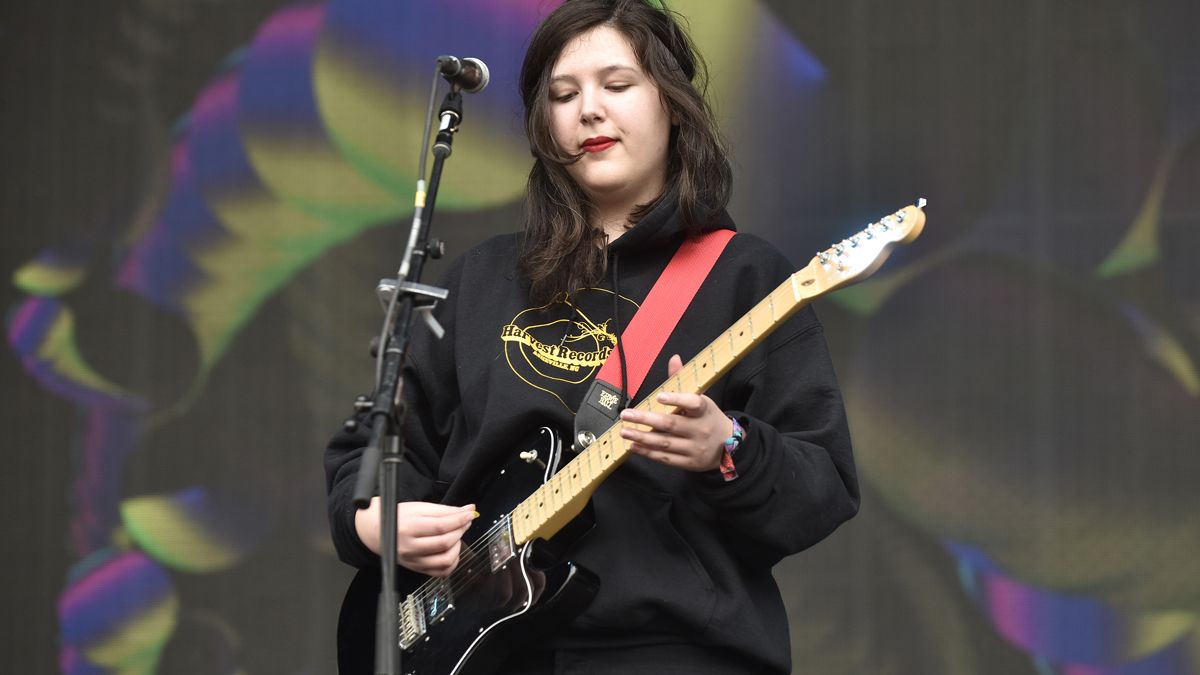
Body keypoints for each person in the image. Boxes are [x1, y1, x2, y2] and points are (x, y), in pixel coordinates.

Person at [325, 1, 859, 673]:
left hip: (669, 648)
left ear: (671, 102)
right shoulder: (484, 276)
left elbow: (824, 485)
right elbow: (371, 444)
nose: (588, 110)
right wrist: (376, 521)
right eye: (562, 94)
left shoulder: (745, 277)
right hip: (480, 651)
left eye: (617, 84)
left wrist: (727, 446)